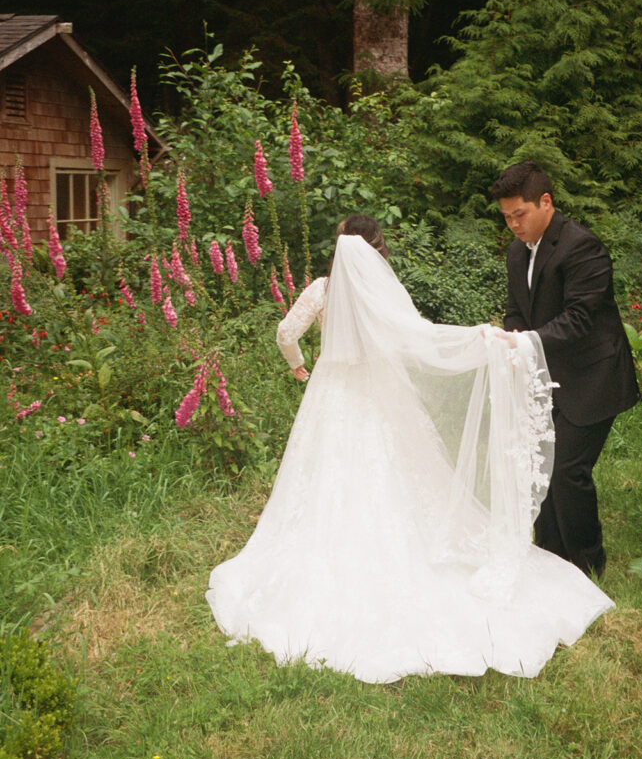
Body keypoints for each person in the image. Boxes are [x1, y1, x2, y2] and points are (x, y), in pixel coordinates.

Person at [206, 214, 613, 683]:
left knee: (325, 476)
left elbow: (284, 334)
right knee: (399, 476)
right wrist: (473, 339)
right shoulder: (382, 292)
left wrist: (298, 367)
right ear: (377, 251)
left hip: (331, 397)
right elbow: (419, 336)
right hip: (381, 399)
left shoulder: (321, 290)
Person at [491, 162, 639, 579]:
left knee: (567, 471)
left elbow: (580, 318)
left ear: (546, 202)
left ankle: (587, 565)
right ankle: (550, 559)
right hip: (545, 378)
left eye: (519, 214)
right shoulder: (517, 251)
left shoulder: (582, 247)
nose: (513, 225)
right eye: (506, 218)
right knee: (539, 467)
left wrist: (525, 342)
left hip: (594, 377)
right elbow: (516, 310)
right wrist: (510, 340)